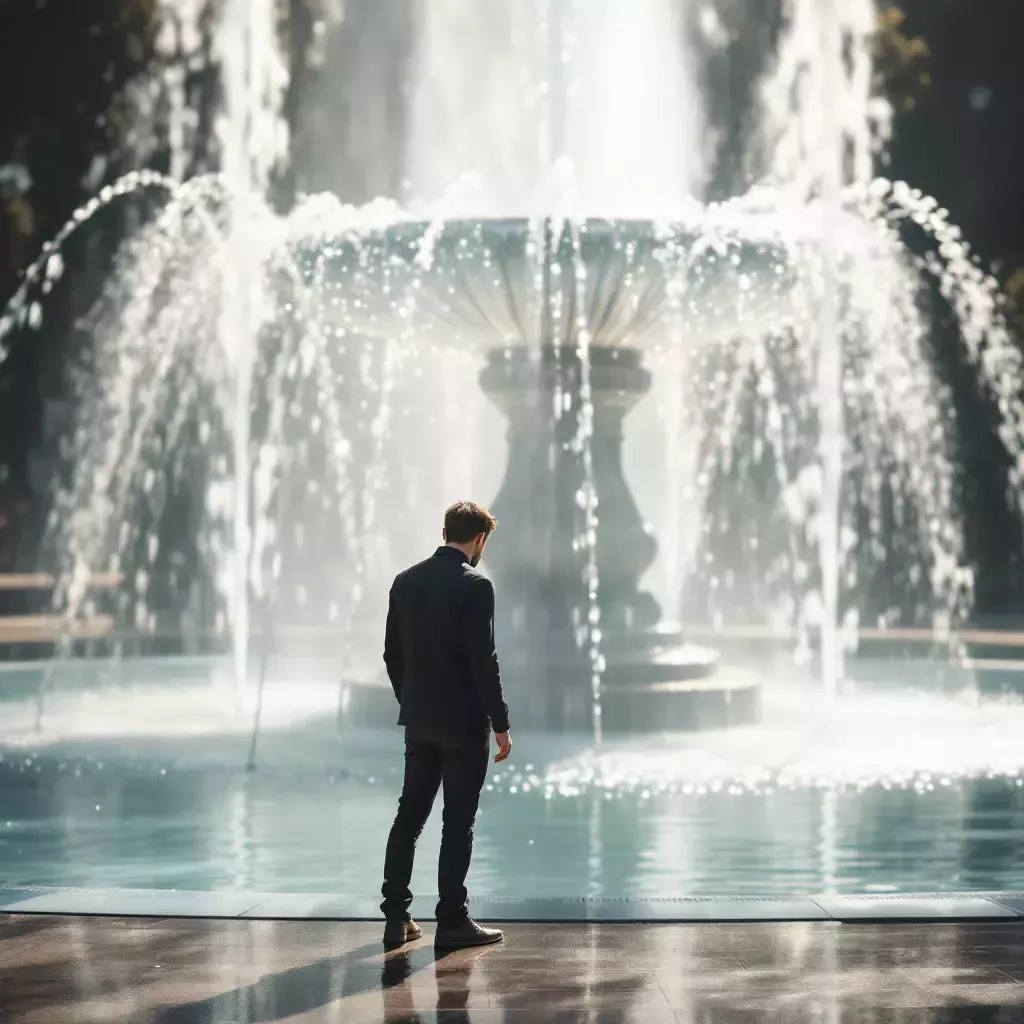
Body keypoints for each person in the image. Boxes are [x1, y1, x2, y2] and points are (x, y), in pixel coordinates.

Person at [380, 500, 512, 948]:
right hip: (462, 725)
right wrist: (500, 722)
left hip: (419, 722)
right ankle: (452, 921)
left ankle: (396, 917)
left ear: (443, 532)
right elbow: (484, 661)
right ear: (479, 540)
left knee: (409, 817)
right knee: (457, 823)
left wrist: (411, 700)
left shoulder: (404, 581)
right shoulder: (477, 586)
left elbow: (391, 656)